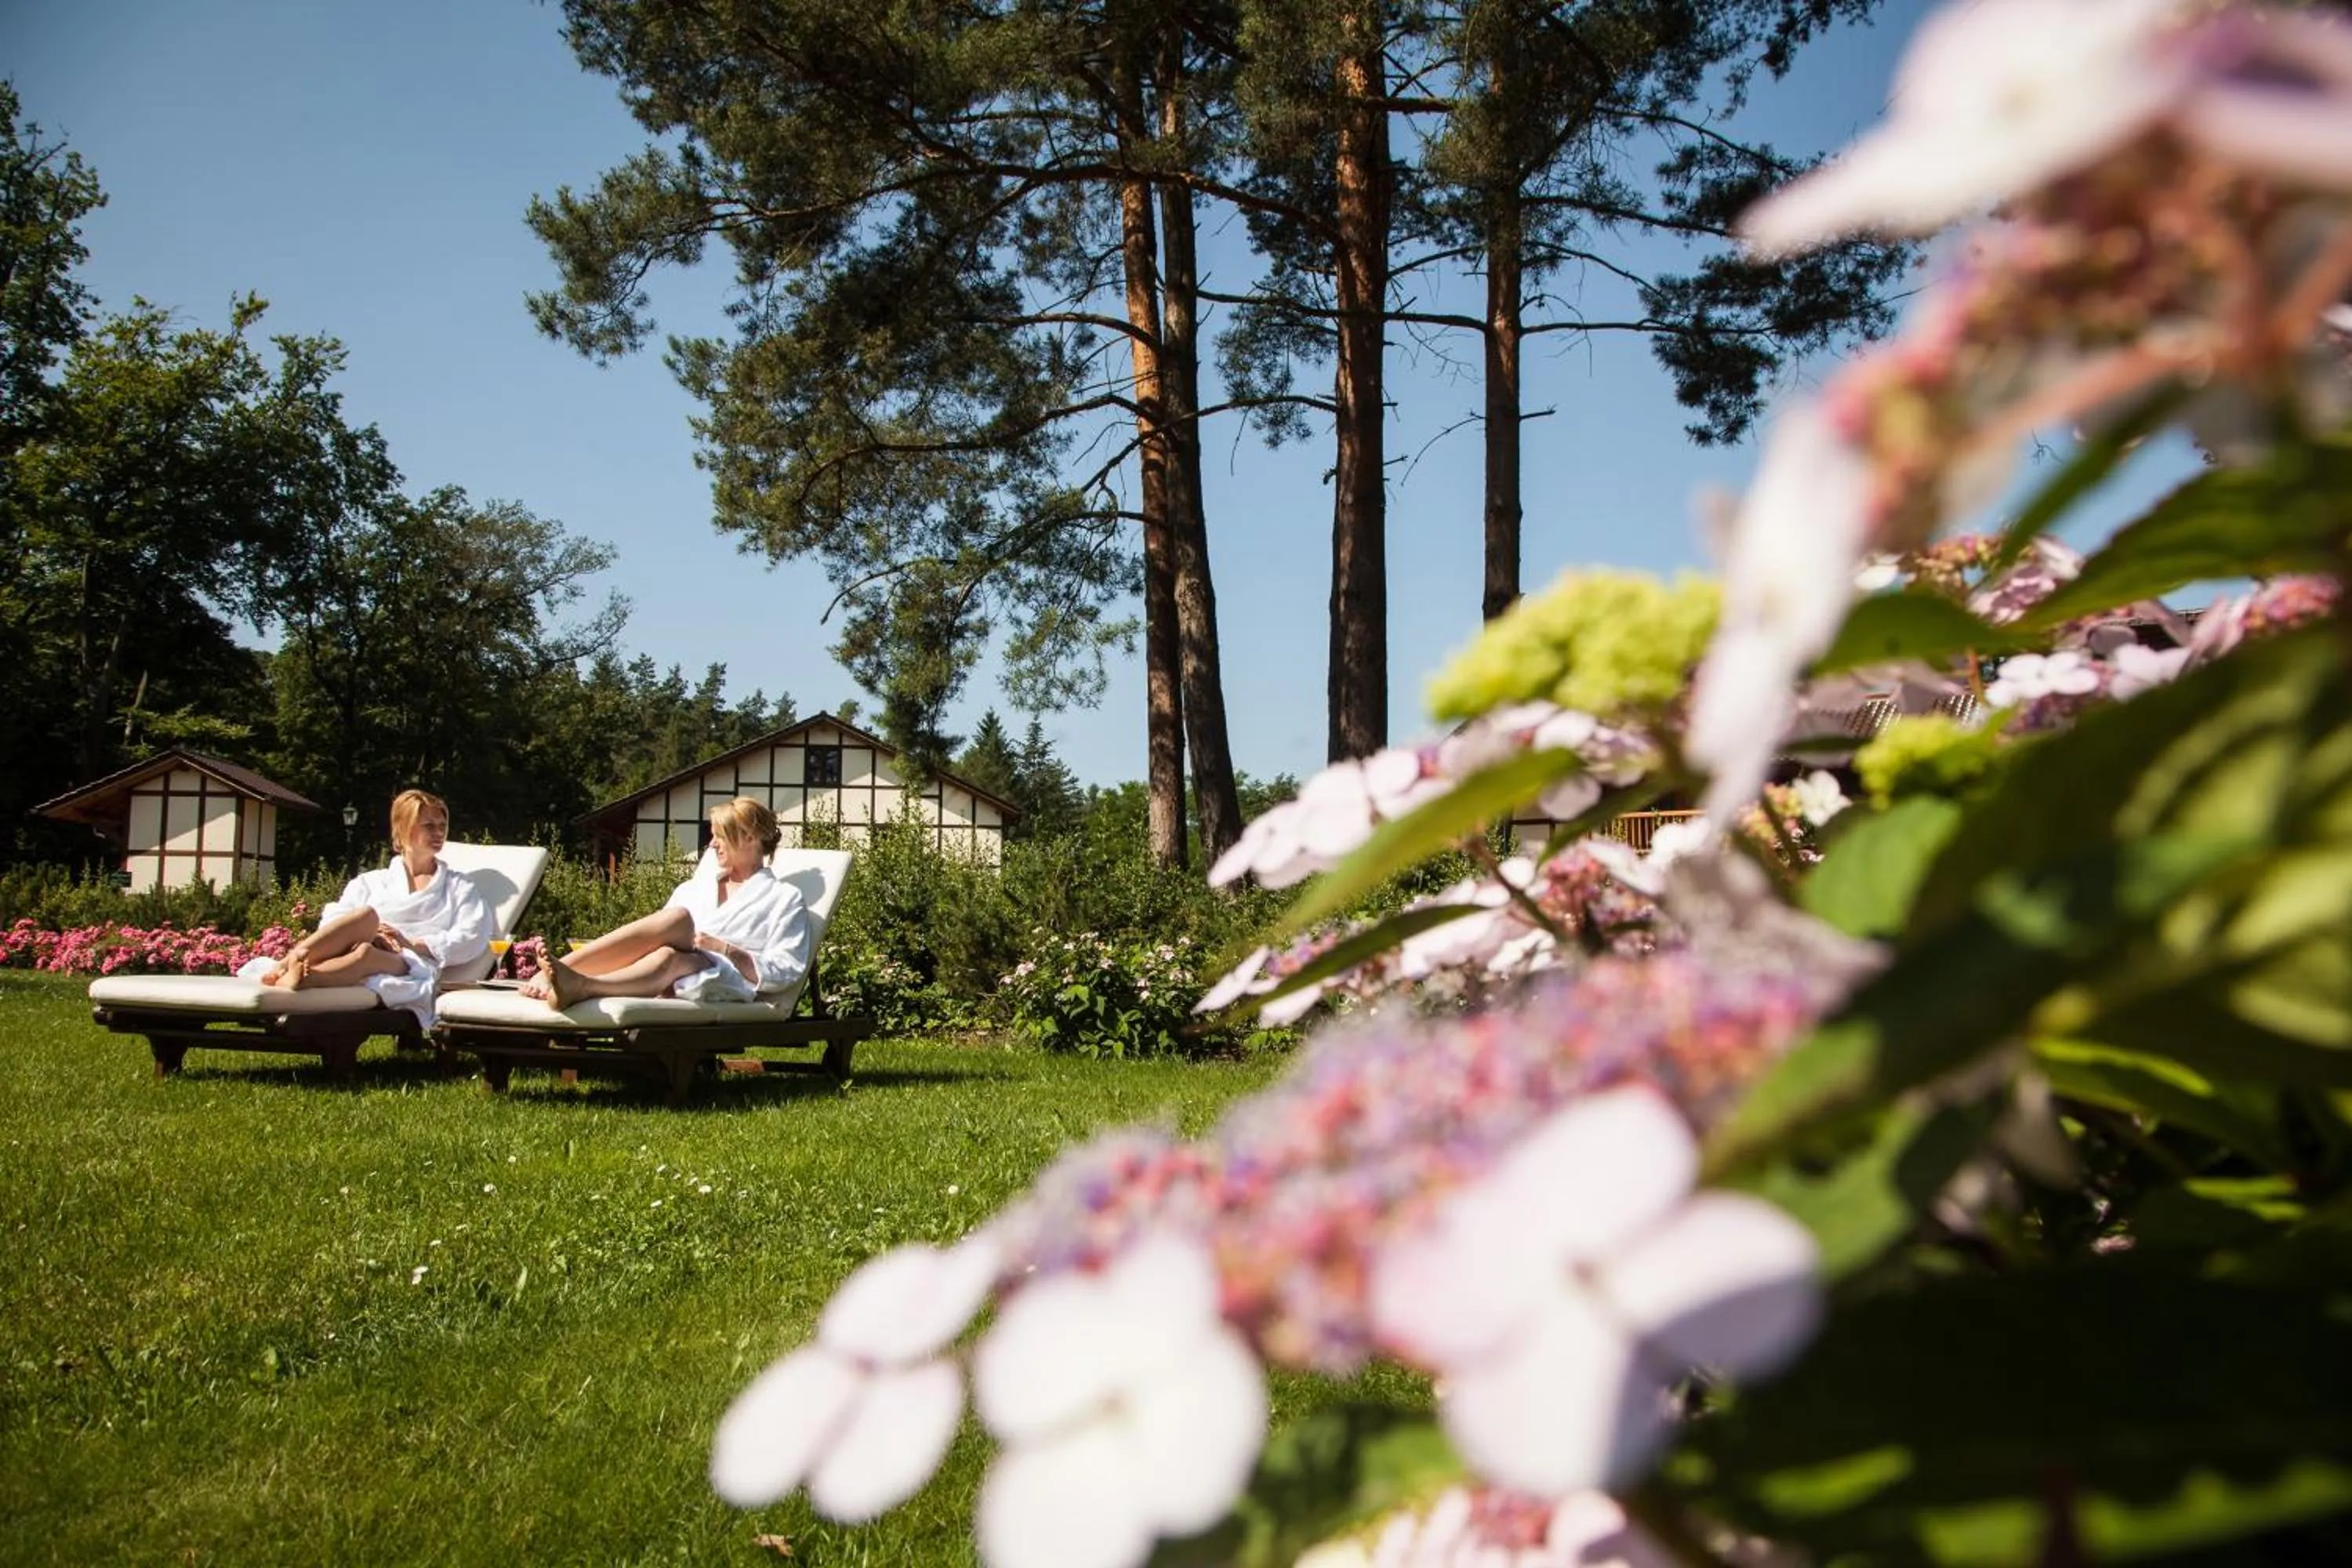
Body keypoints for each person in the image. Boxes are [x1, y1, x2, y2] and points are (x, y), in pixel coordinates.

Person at [237, 788, 493, 1026]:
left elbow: (471, 936)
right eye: (429, 826)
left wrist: (409, 943)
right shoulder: (371, 881)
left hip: (410, 960)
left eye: (442, 826)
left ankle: (305, 977)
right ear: (402, 830)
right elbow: (334, 921)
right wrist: (374, 934)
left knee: (364, 954)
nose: (439, 833)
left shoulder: (458, 887)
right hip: (361, 943)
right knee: (366, 917)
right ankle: (288, 963)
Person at [524, 797, 809, 1009]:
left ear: (749, 837)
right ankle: (567, 974)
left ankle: (581, 983)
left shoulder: (785, 898)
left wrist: (725, 950)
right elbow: (651, 939)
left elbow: (786, 970)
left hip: (724, 976)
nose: (712, 845)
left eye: (719, 836)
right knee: (674, 926)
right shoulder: (695, 887)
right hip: (678, 960)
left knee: (671, 949)